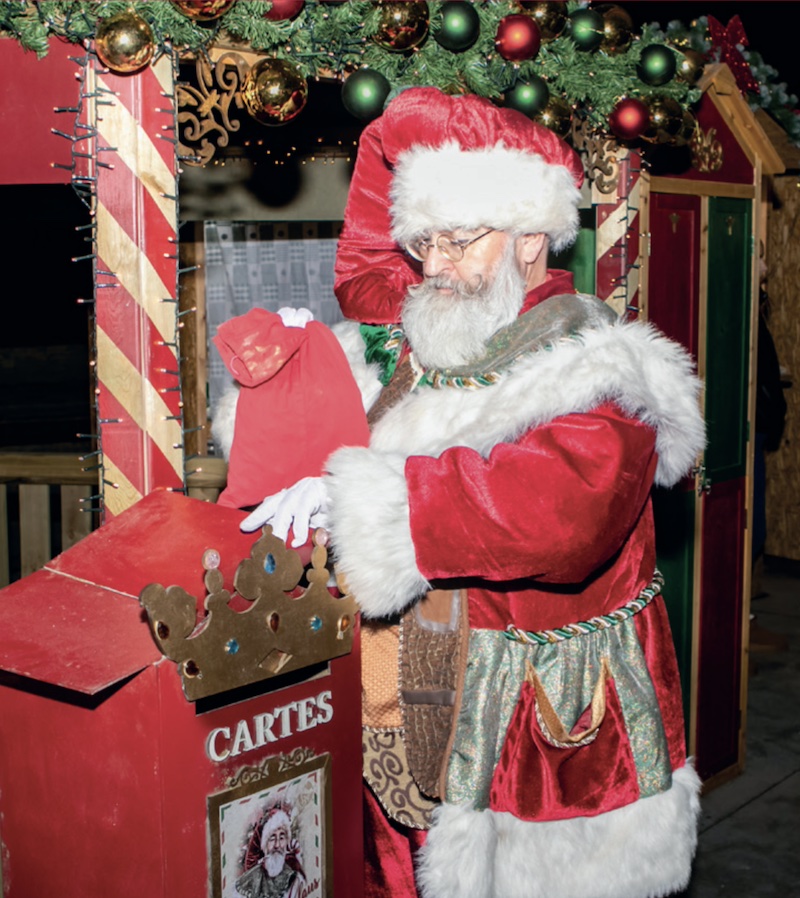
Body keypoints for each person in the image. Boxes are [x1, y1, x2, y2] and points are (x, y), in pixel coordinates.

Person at [238, 88, 705, 898]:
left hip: (534, 743)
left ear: (531, 237)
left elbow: (556, 512)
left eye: (458, 240)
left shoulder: (602, 365)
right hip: (408, 710)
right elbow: (344, 435)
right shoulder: (431, 339)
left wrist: (373, 497)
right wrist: (294, 381)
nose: (435, 267)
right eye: (423, 244)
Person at [234, 805, 307, 898]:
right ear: (264, 844)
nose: (277, 845)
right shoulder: (248, 882)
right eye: (272, 838)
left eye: (281, 838)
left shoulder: (294, 878)